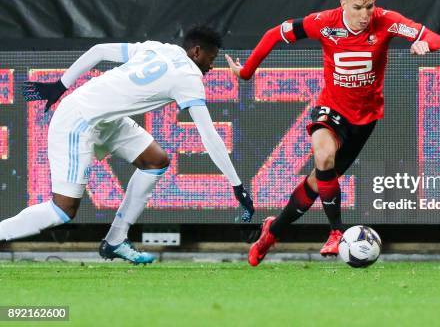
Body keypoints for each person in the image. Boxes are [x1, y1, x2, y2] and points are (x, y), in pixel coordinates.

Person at [226, 0, 440, 266]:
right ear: (343, 4)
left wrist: (425, 44)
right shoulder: (324, 23)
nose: (365, 15)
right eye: (357, 8)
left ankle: (272, 231)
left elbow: (435, 38)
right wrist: (247, 72)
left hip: (365, 119)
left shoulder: (387, 20)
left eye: (369, 7)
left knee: (317, 182)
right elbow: (274, 34)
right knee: (324, 154)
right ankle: (336, 232)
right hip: (331, 108)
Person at [0, 25, 254, 264]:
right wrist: (237, 185)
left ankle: (116, 240)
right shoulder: (189, 78)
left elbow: (98, 51)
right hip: (79, 120)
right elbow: (208, 135)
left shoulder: (161, 48)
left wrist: (60, 85)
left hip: (104, 119)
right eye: (211, 59)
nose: (211, 66)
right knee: (62, 210)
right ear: (197, 51)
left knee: (155, 161)